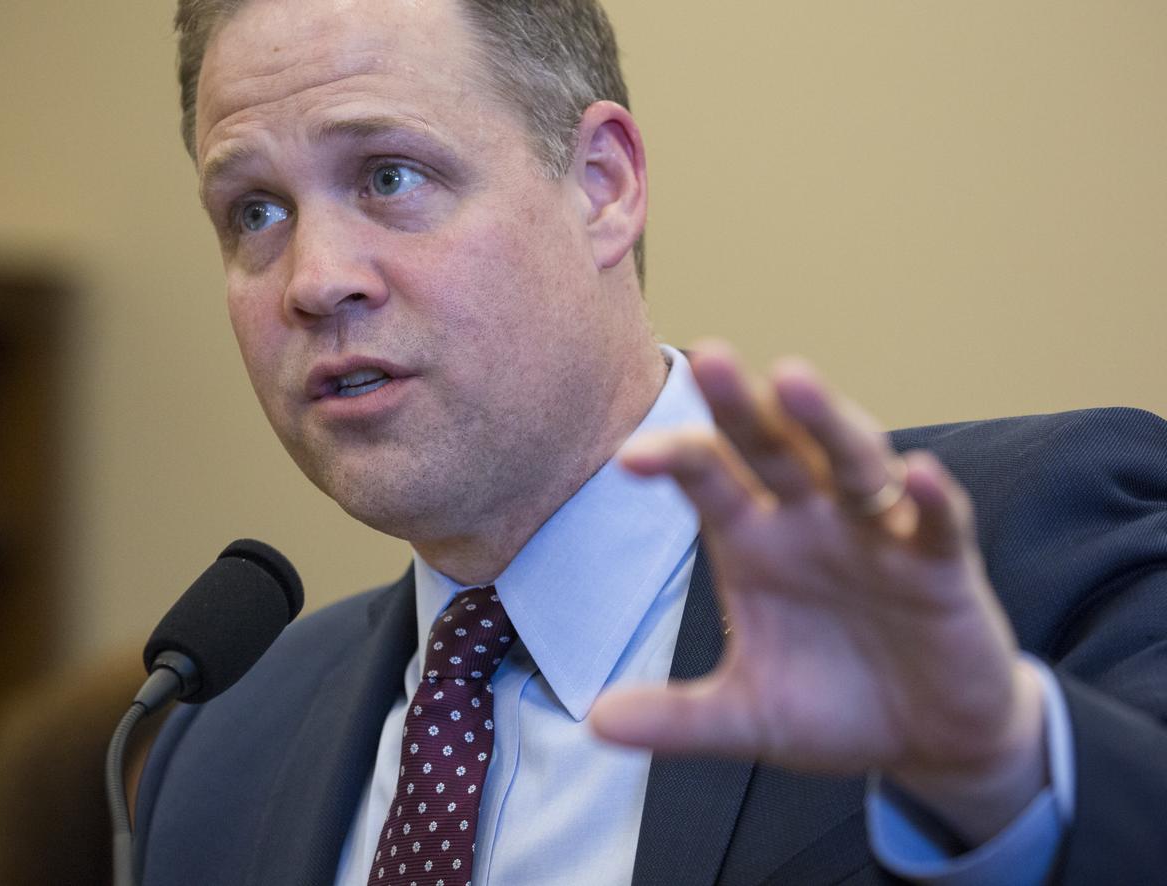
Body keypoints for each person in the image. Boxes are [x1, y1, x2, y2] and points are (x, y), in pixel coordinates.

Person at [136, 0, 1167, 883]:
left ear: (602, 184)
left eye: (389, 176)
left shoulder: (1022, 556)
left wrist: (1000, 762)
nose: (315, 279)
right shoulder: (220, 752)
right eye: (254, 210)